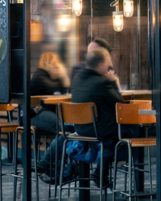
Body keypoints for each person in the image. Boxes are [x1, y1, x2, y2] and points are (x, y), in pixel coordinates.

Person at [42, 48, 127, 188]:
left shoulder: (77, 78)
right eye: (107, 62)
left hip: (81, 129)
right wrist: (111, 81)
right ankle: (101, 173)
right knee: (121, 132)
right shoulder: (103, 82)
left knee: (112, 133)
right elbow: (119, 104)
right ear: (100, 64)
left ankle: (100, 173)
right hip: (98, 131)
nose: (109, 66)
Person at [29, 51, 70, 136]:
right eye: (56, 64)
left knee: (68, 126)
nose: (58, 67)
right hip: (33, 115)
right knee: (64, 128)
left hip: (43, 112)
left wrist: (62, 79)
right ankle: (55, 149)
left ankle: (58, 148)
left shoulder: (52, 79)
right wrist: (63, 76)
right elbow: (54, 91)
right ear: (49, 63)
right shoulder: (39, 75)